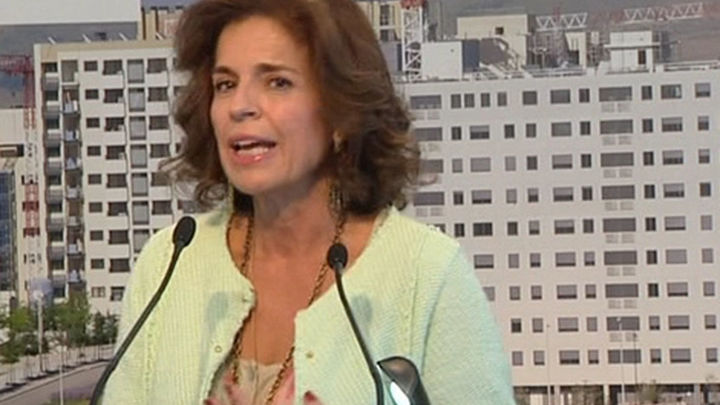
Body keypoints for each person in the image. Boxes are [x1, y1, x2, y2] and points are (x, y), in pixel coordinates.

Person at [101, 0, 514, 404]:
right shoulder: (169, 264)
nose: (240, 106)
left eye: (277, 82)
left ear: (340, 112)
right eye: (225, 84)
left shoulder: (427, 275)